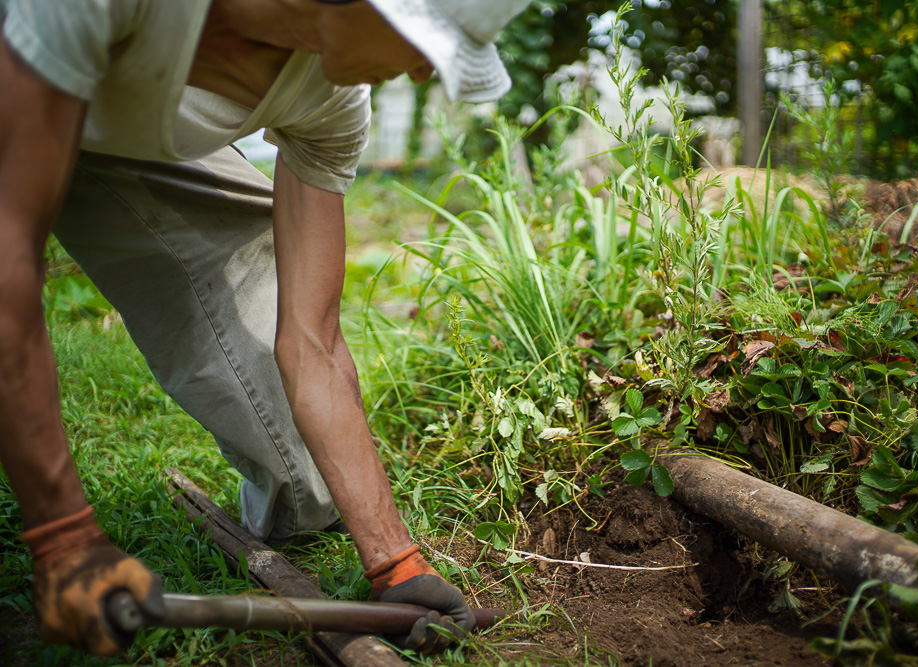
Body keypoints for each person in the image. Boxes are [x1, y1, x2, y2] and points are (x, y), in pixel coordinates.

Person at [0, 0, 528, 657]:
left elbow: (315, 342)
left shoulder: (334, 99)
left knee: (306, 486)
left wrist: (397, 563)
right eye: (425, 43)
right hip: (18, 75)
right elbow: (9, 265)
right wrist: (64, 538)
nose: (424, 73)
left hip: (125, 133)